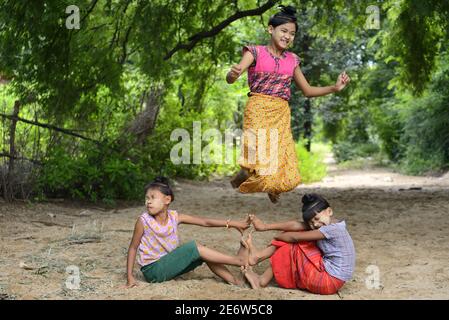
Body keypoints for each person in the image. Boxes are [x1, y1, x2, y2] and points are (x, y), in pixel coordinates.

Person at [227, 5, 350, 203]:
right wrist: (232, 74)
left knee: (283, 164)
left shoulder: (292, 60)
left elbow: (308, 91)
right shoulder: (254, 52)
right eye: (283, 31)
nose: (287, 36)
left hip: (281, 112)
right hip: (258, 108)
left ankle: (262, 181)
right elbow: (233, 75)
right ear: (270, 29)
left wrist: (334, 88)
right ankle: (248, 173)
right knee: (259, 157)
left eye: (292, 34)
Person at [125, 177, 251, 288]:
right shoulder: (143, 221)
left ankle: (235, 281)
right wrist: (130, 276)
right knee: (194, 247)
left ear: (167, 200)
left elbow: (204, 222)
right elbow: (133, 248)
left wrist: (234, 224)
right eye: (147, 198)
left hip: (168, 264)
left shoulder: (175, 217)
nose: (148, 202)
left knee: (205, 253)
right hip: (153, 270)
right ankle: (237, 261)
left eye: (153, 198)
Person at [241, 193, 355, 295]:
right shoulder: (332, 224)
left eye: (317, 218)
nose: (315, 224)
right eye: (311, 222)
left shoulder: (332, 230)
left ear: (329, 211)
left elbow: (294, 237)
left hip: (327, 281)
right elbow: (297, 225)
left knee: (292, 245)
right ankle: (258, 257)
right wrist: (265, 227)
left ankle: (261, 280)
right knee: (296, 234)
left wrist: (277, 236)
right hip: (334, 281)